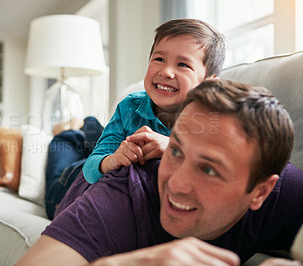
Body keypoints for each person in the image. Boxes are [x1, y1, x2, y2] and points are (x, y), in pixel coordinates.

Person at [15, 79, 303, 266]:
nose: (175, 184)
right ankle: (70, 131)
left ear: (261, 191)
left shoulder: (286, 192)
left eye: (208, 169)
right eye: (176, 151)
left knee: (94, 135)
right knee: (69, 143)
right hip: (73, 183)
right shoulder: (126, 195)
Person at [44, 18, 226, 219]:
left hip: (114, 163)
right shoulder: (131, 106)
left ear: (208, 85)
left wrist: (173, 147)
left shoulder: (211, 121)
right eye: (159, 59)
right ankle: (74, 130)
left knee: (89, 133)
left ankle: (85, 125)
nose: (166, 71)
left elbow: (217, 169)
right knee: (65, 142)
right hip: (73, 182)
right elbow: (90, 169)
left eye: (183, 64)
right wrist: (113, 159)